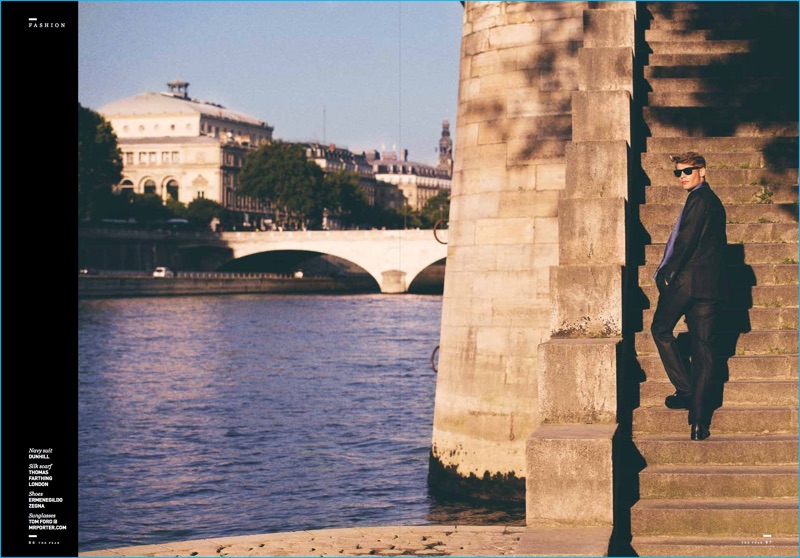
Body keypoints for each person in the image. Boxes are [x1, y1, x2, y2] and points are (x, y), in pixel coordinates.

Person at [650, 152, 728, 441]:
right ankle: (699, 422)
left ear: (702, 171)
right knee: (704, 352)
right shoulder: (715, 203)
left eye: (687, 171)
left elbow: (686, 239)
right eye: (678, 173)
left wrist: (667, 271)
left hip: (687, 281)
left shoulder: (699, 200)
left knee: (660, 329)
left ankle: (686, 391)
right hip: (710, 286)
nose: (682, 176)